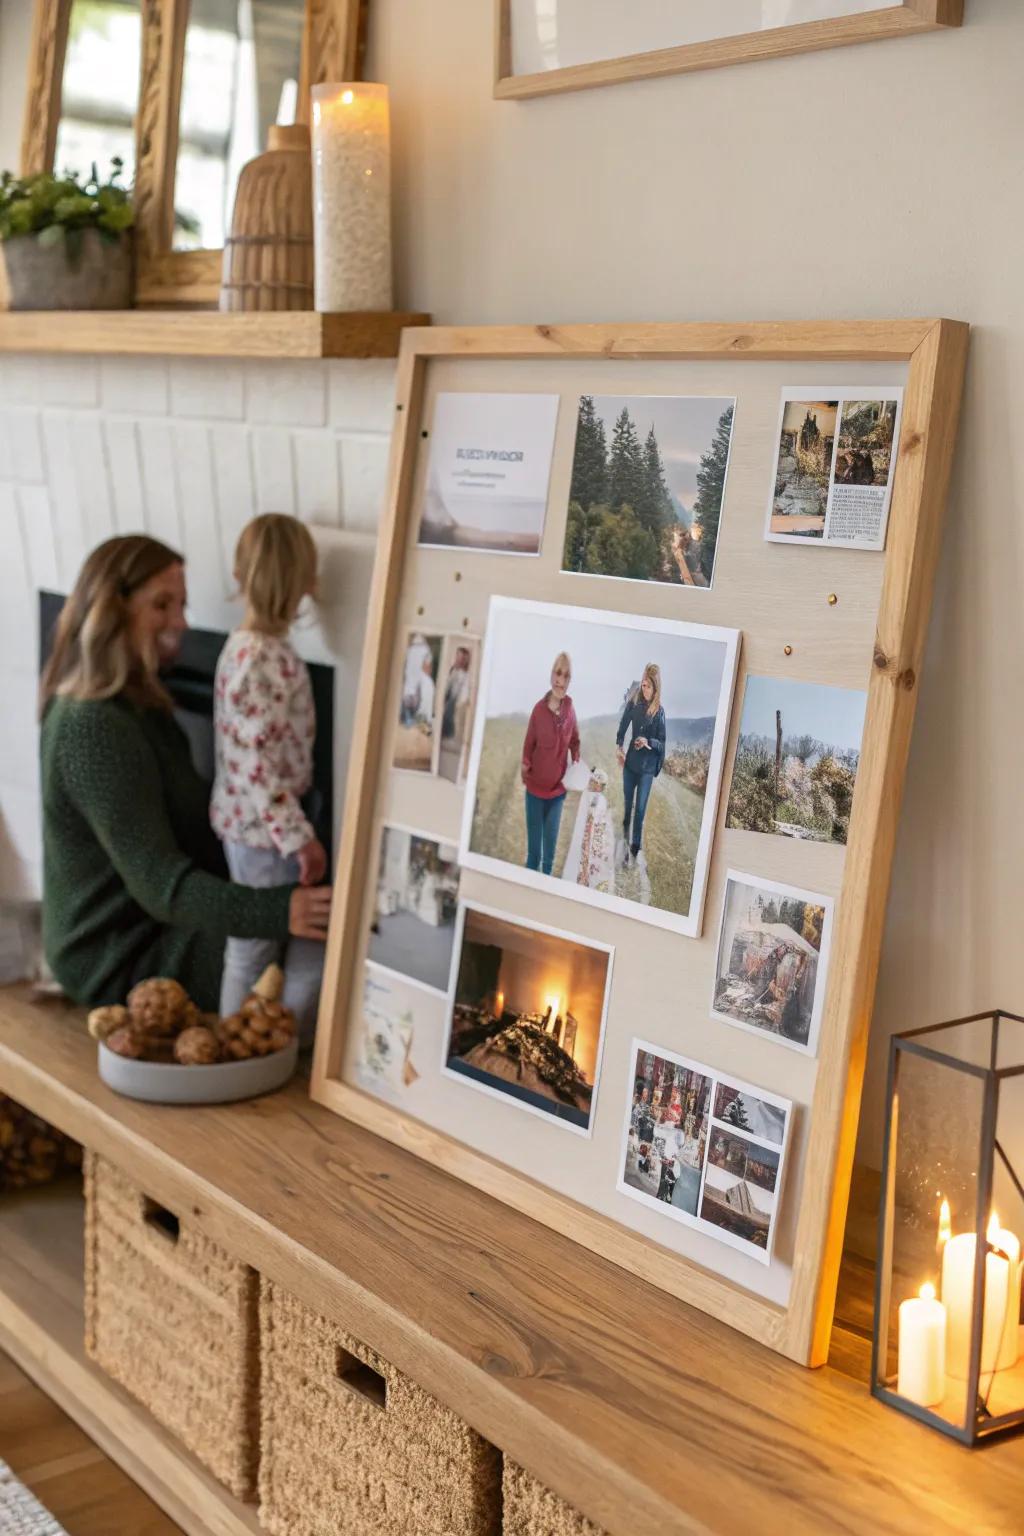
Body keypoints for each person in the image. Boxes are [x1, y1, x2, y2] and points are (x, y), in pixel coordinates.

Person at [40, 535, 331, 1014]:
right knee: (284, 956)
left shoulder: (139, 703)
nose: (180, 623)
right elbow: (158, 881)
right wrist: (279, 910)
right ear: (113, 610)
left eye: (182, 605)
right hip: (117, 955)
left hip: (157, 918)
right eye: (162, 605)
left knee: (298, 953)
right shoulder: (90, 727)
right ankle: (266, 1062)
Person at [211, 514, 327, 1040]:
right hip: (264, 832)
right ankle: (236, 1044)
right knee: (255, 941)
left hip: (250, 822)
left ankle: (270, 1040)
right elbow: (259, 768)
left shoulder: (246, 646)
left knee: (268, 939)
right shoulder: (261, 659)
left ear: (241, 573)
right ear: (304, 582)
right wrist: (298, 838)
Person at [521, 651, 580, 876]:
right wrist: (525, 765)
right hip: (535, 792)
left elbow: (574, 740)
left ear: (569, 681)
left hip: (557, 793)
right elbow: (528, 746)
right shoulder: (538, 711)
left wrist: (576, 760)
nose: (561, 680)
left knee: (549, 859)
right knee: (534, 855)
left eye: (566, 676)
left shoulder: (570, 709)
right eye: (558, 673)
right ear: (551, 675)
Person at [616, 662, 667, 872]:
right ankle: (626, 847)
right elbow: (623, 725)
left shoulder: (660, 712)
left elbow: (662, 742)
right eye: (643, 684)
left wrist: (648, 742)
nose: (644, 689)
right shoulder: (634, 703)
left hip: (647, 770)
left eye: (648, 686)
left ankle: (635, 850)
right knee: (628, 809)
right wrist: (619, 745)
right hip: (630, 766)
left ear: (655, 689)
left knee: (640, 811)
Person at [564, 765, 615, 893]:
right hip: (587, 845)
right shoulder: (596, 799)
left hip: (587, 844)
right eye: (600, 785)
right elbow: (591, 827)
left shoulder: (593, 797)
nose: (600, 787)